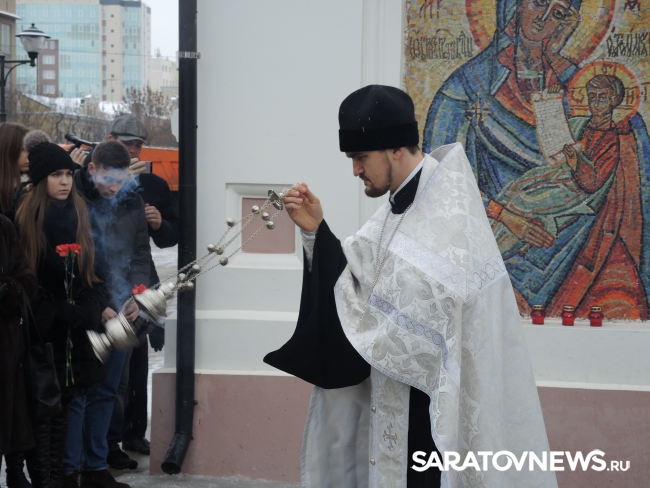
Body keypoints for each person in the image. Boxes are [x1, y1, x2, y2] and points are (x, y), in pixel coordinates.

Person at [264, 85, 557, 487]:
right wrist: (317, 233)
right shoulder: (397, 208)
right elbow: (360, 281)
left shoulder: (448, 212)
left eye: (361, 157)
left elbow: (416, 308)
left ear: (395, 148)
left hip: (433, 412)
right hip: (395, 405)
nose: (355, 170)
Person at [10, 143, 108, 488]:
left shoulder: (83, 215)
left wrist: (88, 307)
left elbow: (97, 275)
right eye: (56, 175)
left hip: (74, 334)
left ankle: (60, 478)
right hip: (39, 337)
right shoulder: (23, 220)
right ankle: (43, 479)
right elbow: (22, 282)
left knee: (66, 407)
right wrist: (55, 310)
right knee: (42, 411)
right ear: (41, 179)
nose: (65, 181)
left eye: (68, 173)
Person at [63, 141, 150, 488]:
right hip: (87, 312)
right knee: (79, 394)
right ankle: (70, 470)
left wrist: (138, 295)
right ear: (92, 169)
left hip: (122, 310)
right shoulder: (73, 199)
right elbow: (70, 258)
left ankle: (96, 467)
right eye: (107, 179)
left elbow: (140, 253)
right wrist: (97, 306)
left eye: (120, 180)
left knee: (108, 390)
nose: (113, 188)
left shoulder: (133, 201)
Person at [106, 115, 177, 463]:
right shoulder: (96, 179)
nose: (133, 150)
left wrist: (160, 224)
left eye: (137, 145)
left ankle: (134, 433)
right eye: (127, 143)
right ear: (111, 141)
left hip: (141, 278)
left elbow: (170, 238)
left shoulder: (154, 185)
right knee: (113, 367)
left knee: (137, 364)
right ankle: (108, 441)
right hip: (107, 282)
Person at [0, 214, 37, 487]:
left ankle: (15, 470)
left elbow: (26, 280)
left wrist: (8, 288)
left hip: (5, 347)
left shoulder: (3, 226)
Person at [0, 122, 29, 218]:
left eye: (31, 148)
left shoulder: (32, 184)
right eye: (23, 149)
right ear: (7, 151)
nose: (30, 155)